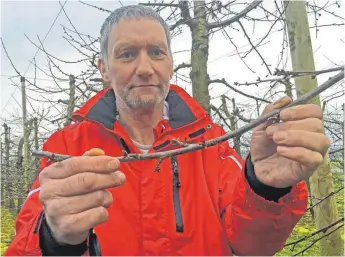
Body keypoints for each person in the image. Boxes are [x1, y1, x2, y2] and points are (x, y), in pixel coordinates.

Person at [4, 5, 330, 256]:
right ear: (104, 68)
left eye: (156, 52)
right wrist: (54, 238)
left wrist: (265, 188)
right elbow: (23, 246)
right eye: (127, 54)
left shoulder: (211, 146)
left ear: (171, 62)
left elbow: (252, 246)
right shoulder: (66, 148)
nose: (145, 68)